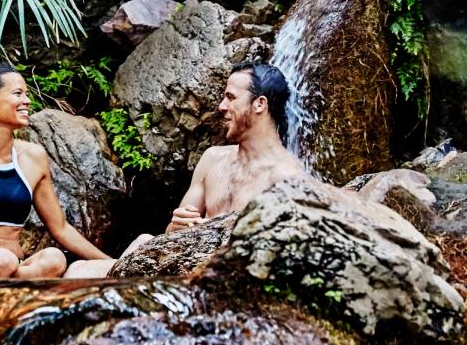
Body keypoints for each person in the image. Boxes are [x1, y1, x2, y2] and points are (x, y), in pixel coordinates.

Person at [64, 61, 303, 278]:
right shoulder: (213, 159)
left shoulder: (288, 179)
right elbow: (171, 235)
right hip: (177, 268)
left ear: (260, 104)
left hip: (221, 282)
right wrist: (177, 225)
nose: (221, 106)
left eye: (231, 98)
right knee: (78, 270)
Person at [0, 63, 113, 278]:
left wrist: (111, 264)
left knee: (54, 258)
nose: (27, 101)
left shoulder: (34, 157)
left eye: (26, 94)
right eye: (18, 93)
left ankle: (3, 283)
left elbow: (60, 227)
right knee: (2, 260)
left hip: (13, 266)